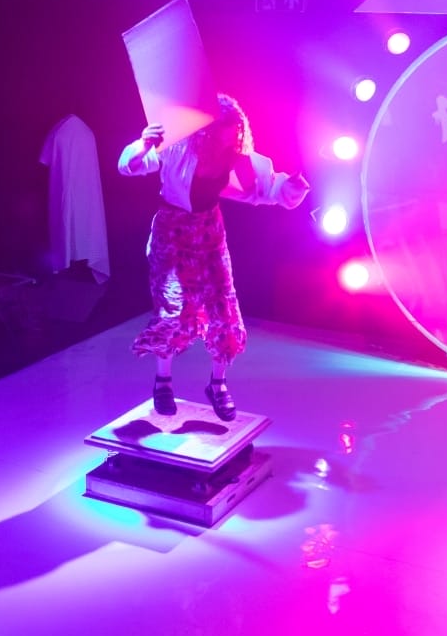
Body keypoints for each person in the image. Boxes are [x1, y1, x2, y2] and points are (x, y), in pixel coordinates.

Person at [118, 93, 311, 420]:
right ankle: (163, 382)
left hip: (209, 232)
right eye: (224, 134)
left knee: (224, 307)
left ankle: (218, 384)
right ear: (207, 131)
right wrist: (143, 145)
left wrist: (294, 181)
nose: (231, 141)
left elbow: (272, 189)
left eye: (235, 134)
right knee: (172, 307)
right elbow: (130, 166)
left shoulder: (237, 157)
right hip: (173, 231)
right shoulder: (178, 146)